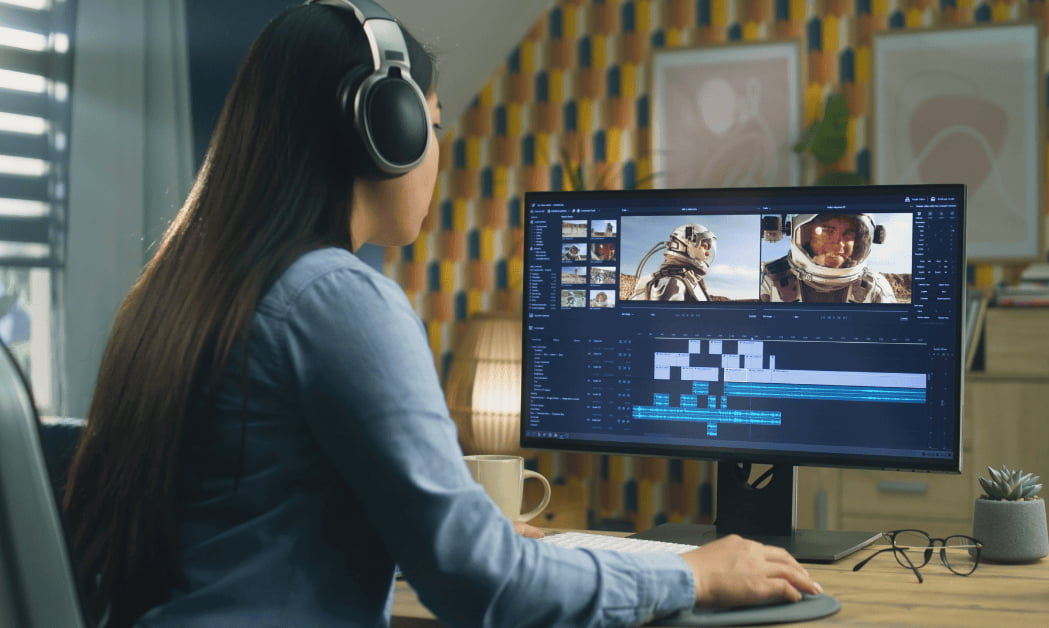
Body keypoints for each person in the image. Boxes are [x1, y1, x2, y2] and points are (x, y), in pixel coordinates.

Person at [61, 2, 820, 627]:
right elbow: (485, 588)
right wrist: (690, 577)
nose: (436, 152)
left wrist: (456, 540)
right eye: (433, 123)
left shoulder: (171, 295)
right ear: (384, 128)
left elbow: (251, 526)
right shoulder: (333, 297)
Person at [760, 213, 896, 303]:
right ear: (807, 235)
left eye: (849, 234)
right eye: (826, 231)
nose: (838, 244)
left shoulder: (875, 288)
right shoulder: (769, 281)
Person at [630, 223, 716, 301]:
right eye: (704, 246)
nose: (707, 253)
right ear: (688, 242)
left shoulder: (692, 281)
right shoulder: (672, 283)